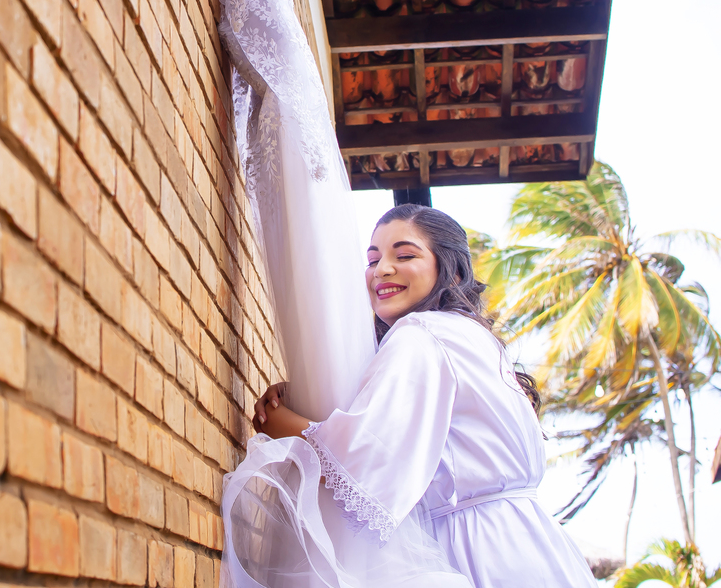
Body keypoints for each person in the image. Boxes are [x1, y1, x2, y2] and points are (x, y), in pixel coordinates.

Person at [250, 203, 597, 588]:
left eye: (404, 256)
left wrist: (284, 426)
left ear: (453, 270)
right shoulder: (472, 336)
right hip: (531, 544)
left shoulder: (421, 334)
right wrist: (308, 391)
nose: (382, 269)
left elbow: (368, 460)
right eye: (373, 260)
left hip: (475, 550)